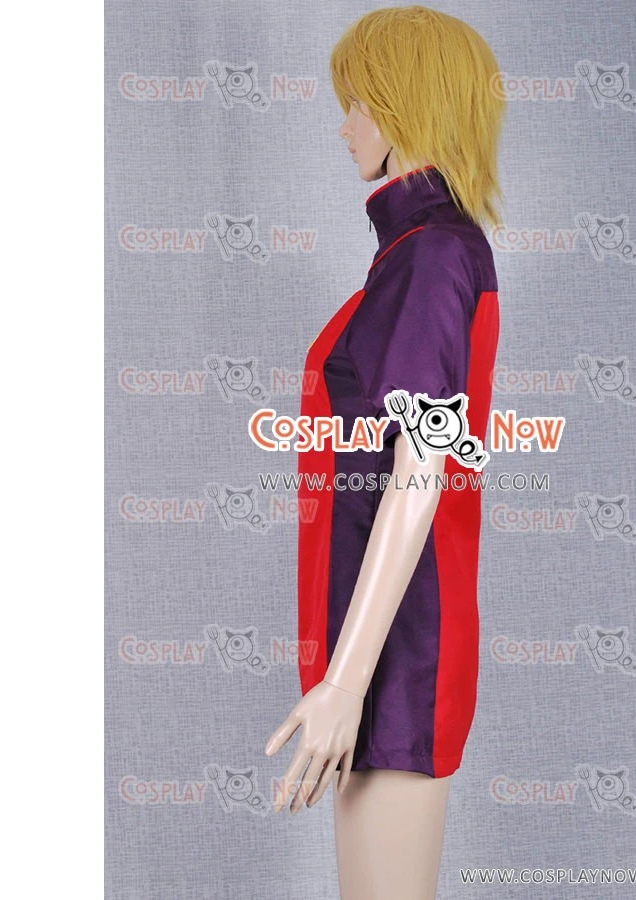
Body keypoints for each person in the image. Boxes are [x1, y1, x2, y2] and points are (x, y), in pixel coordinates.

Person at [265, 6, 505, 898]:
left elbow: (421, 467)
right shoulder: (415, 250)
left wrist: (347, 681)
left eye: (358, 103)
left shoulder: (430, 255)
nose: (344, 126)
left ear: (405, 105)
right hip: (382, 653)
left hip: (397, 656)